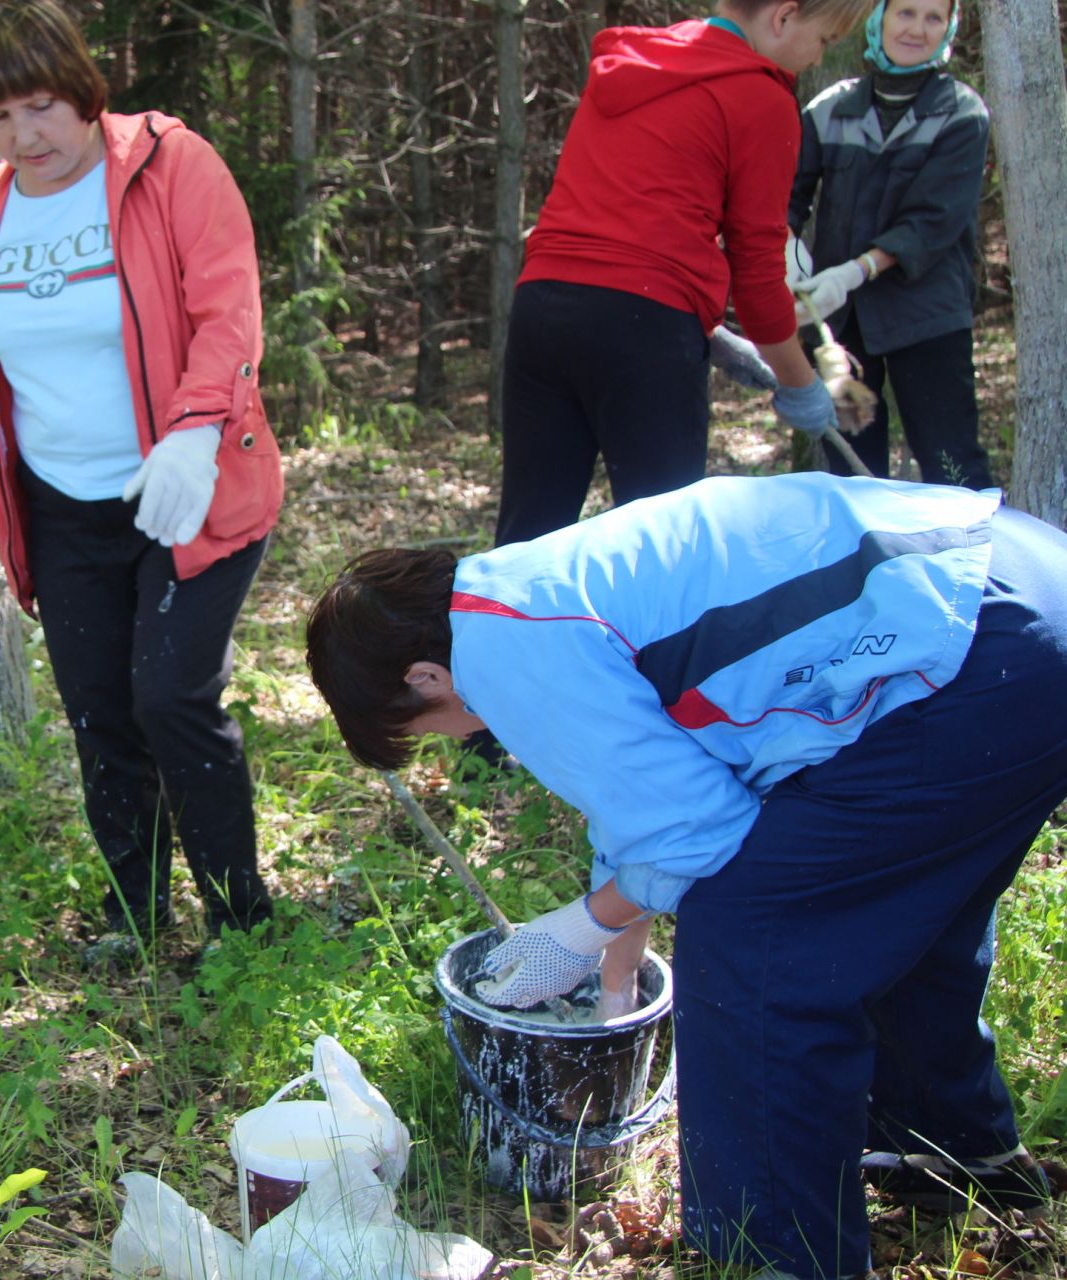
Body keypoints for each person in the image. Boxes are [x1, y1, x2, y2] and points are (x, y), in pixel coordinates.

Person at [305, 473, 1065, 1279]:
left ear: (425, 677)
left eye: (424, 728)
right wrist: (613, 988)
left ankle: (777, 1250)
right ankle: (951, 1155)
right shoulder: (520, 590)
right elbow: (638, 808)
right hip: (1019, 593)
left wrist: (580, 926)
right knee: (897, 911)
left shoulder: (501, 654)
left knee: (753, 933)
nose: (452, 736)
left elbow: (700, 831)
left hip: (974, 651)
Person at [0, 0, 281, 961]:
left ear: (84, 90)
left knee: (171, 698)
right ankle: (134, 917)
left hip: (187, 493)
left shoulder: (171, 165)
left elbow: (228, 311)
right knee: (101, 715)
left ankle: (242, 926)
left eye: (43, 106)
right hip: (64, 513)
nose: (26, 136)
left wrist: (192, 434)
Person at [494, 0, 871, 549]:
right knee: (665, 552)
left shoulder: (634, 66)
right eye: (825, 38)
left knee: (526, 542)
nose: (818, 56)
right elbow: (757, 268)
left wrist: (708, 330)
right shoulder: (762, 96)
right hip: (643, 331)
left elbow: (620, 226)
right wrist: (800, 383)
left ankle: (497, 635)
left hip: (543, 308)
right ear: (784, 17)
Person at [788, 0, 992, 487]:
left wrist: (855, 270)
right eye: (905, 13)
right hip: (843, 324)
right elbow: (785, 196)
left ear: (949, 26)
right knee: (853, 474)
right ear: (879, 18)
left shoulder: (962, 112)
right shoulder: (829, 107)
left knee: (952, 462)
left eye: (933, 18)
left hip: (927, 316)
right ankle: (871, 562)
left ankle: (973, 562)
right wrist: (784, 255)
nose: (917, 29)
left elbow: (932, 220)